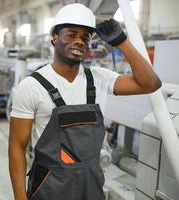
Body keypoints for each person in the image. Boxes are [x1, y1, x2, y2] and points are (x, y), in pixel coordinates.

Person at [8, 3, 161, 200]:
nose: (79, 41)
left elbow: (151, 83)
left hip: (92, 188)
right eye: (71, 35)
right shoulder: (32, 86)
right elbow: (16, 147)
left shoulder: (98, 79)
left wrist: (122, 42)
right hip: (49, 189)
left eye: (85, 37)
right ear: (55, 37)